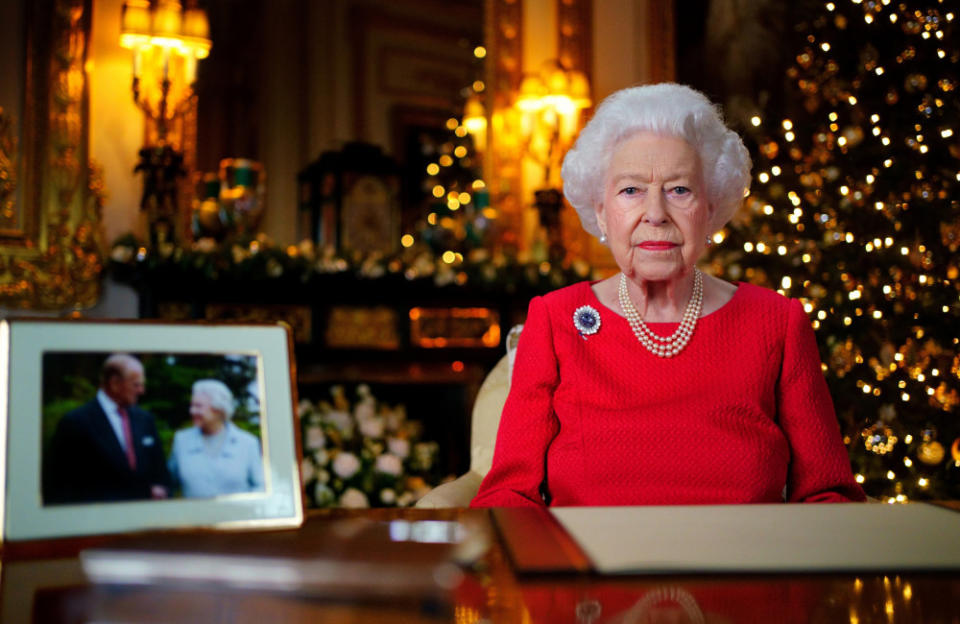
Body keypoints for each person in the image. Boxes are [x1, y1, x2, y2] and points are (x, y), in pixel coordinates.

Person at [472, 83, 866, 507]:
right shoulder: (555, 319)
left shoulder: (775, 322)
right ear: (602, 210)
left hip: (741, 568)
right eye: (631, 191)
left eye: (679, 190)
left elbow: (828, 495)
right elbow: (508, 496)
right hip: (590, 568)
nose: (656, 214)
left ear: (711, 209)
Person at [43, 354, 171, 504]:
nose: (142, 391)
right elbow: (58, 485)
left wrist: (161, 489)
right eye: (136, 385)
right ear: (115, 383)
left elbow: (161, 472)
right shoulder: (75, 422)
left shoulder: (145, 419)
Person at [168, 379, 264, 498]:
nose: (192, 411)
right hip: (193, 516)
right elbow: (168, 484)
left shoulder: (248, 443)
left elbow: (260, 486)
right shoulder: (181, 441)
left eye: (198, 406)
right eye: (192, 405)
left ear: (218, 409)